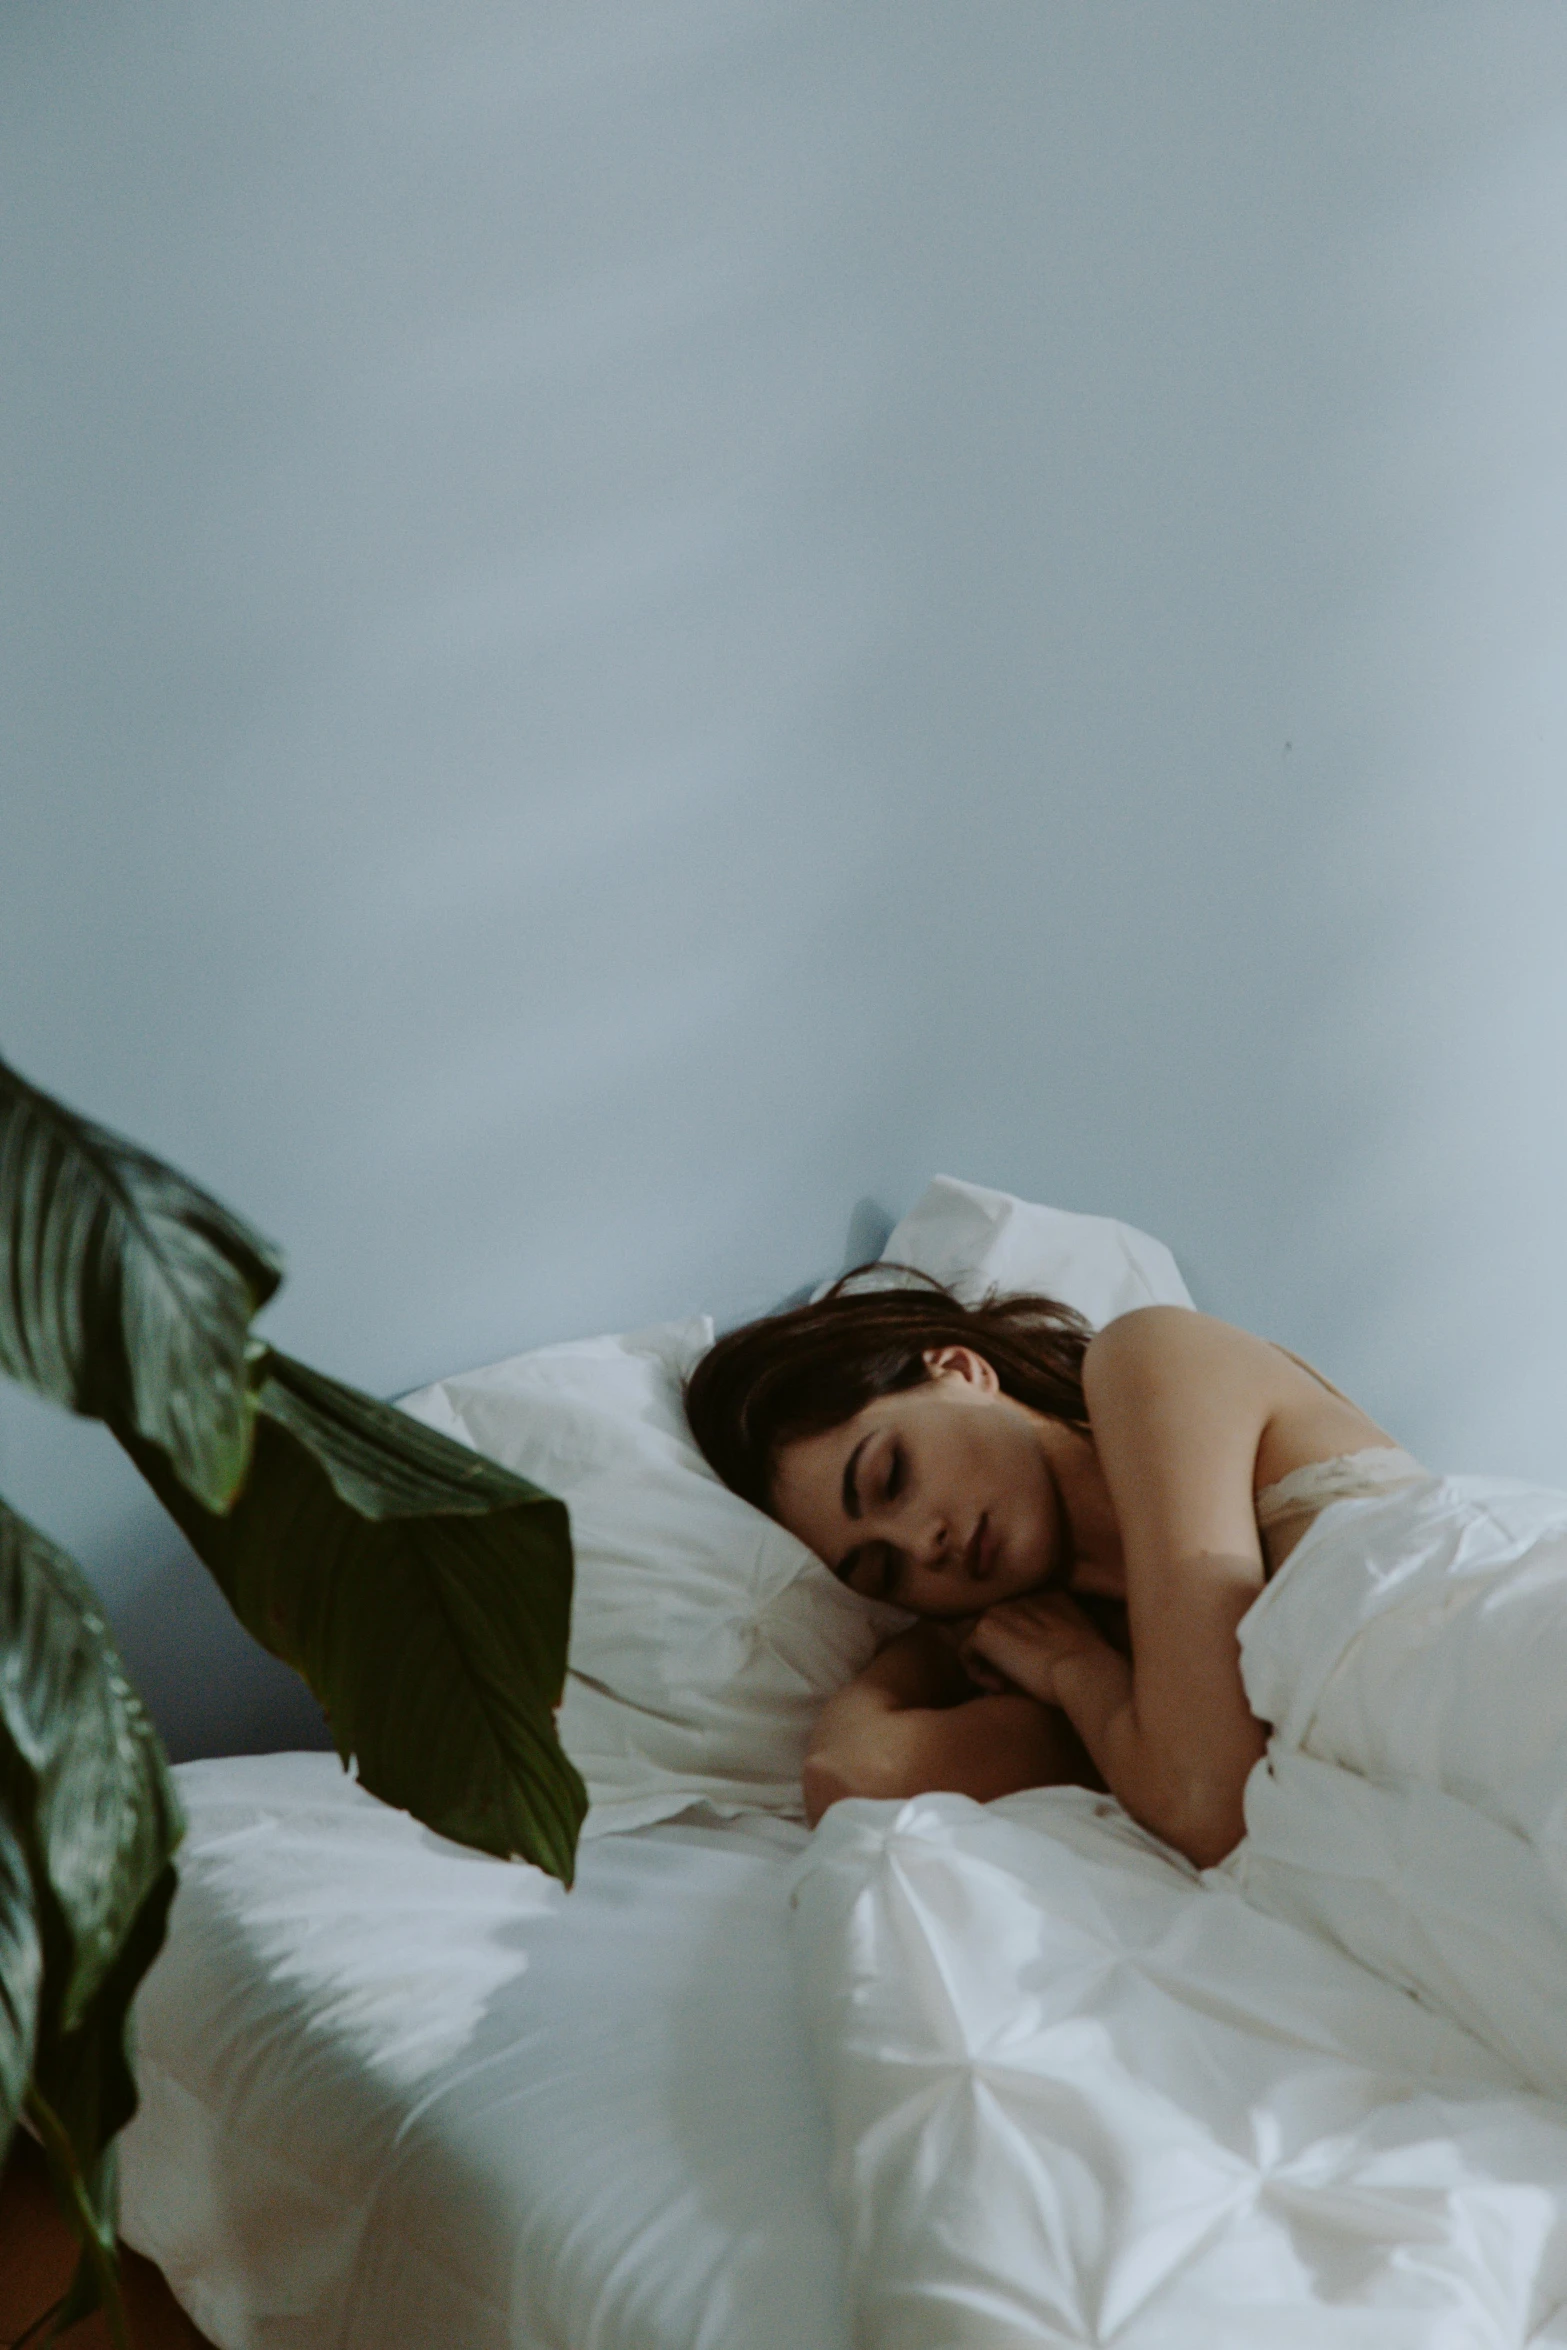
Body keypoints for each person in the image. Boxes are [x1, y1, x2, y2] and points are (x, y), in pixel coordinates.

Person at [683, 1273, 1424, 1868]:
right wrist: (1017, 1658)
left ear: (959, 1369)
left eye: (891, 1476)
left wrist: (1080, 1674)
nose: (921, 1545)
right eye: (882, 1570)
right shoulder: (1060, 1651)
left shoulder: (1149, 1358)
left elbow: (1208, 1807)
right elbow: (854, 1774)